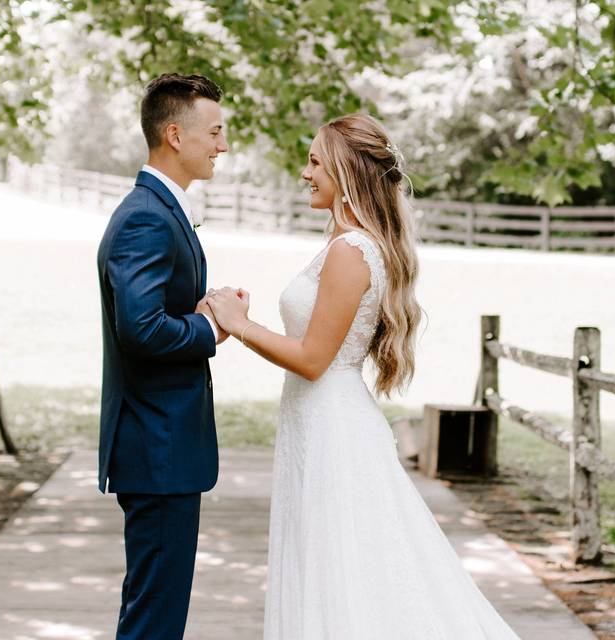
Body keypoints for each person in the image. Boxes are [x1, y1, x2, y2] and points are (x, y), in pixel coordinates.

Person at [205, 113, 522, 639]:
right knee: (332, 565)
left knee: (352, 571)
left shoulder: (352, 252)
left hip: (335, 429)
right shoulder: (347, 243)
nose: (305, 173)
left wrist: (240, 326)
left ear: (346, 171)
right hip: (316, 420)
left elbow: (312, 359)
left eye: (315, 162)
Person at [95, 73, 234, 640]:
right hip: (158, 447)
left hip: (164, 447)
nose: (222, 145)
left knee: (157, 608)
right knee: (154, 616)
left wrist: (200, 307)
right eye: (216, 132)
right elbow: (142, 330)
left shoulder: (160, 209)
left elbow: (150, 312)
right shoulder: (148, 216)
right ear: (175, 135)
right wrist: (209, 327)